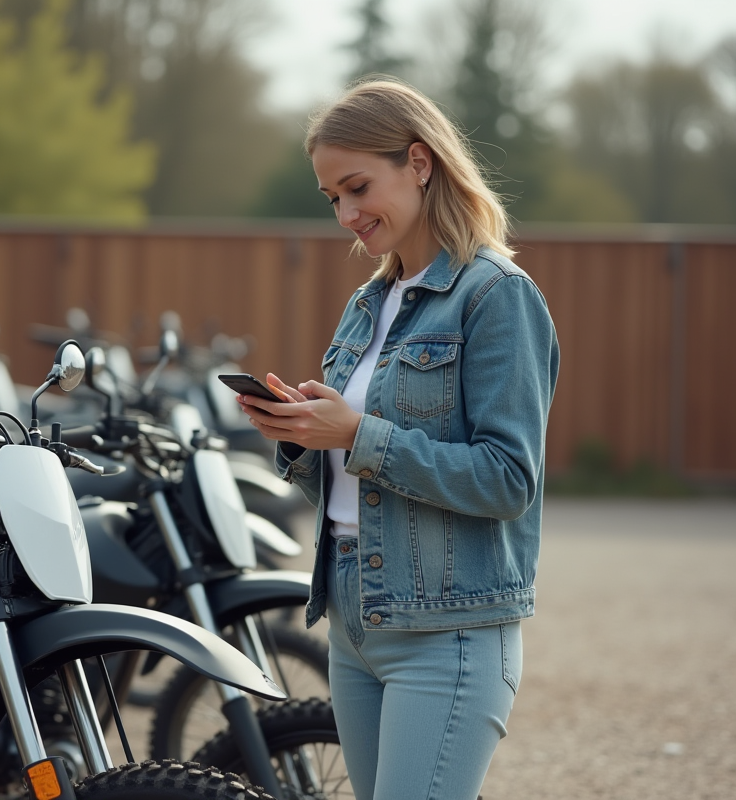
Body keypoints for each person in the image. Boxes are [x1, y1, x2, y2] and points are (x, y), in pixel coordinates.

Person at [235, 79, 559, 800]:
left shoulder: (496, 295)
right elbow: (356, 476)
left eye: (357, 187)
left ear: (419, 162)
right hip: (354, 622)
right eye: (332, 198)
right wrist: (302, 436)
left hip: (447, 632)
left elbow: (508, 480)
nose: (347, 214)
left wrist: (358, 434)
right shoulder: (368, 304)